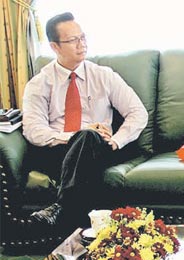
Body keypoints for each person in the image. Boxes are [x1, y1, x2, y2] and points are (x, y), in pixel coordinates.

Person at [22, 12, 148, 233]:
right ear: (55, 47)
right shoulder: (39, 83)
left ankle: (61, 209)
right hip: (58, 151)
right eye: (73, 40)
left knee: (90, 138)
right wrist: (76, 135)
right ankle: (79, 221)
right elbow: (33, 130)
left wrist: (116, 140)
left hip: (101, 149)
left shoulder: (103, 75)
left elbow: (138, 113)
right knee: (86, 136)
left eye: (83, 37)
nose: (82, 44)